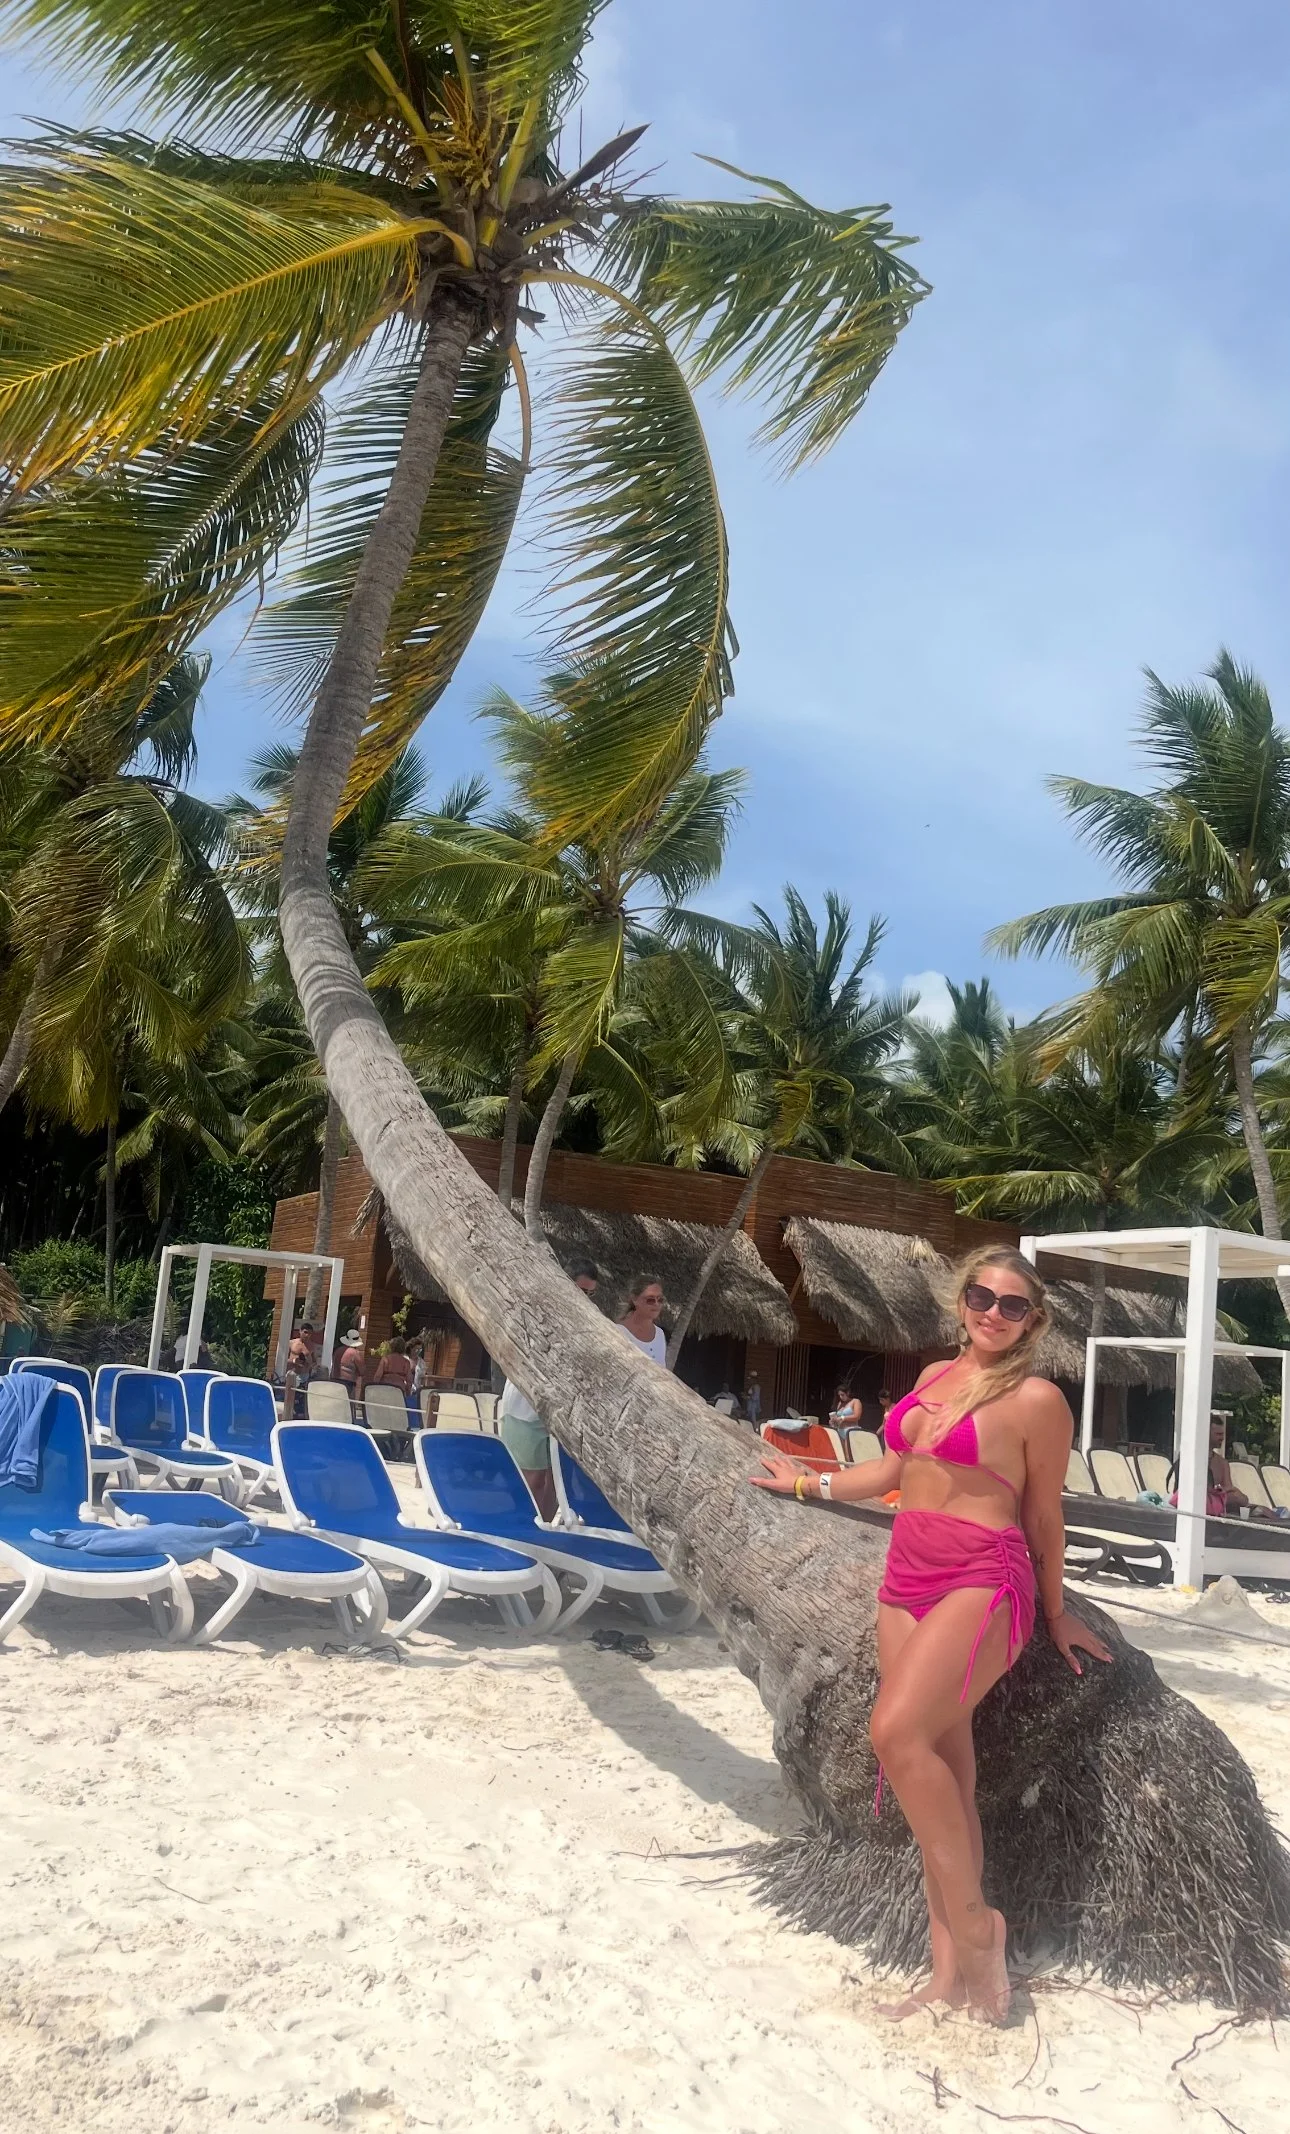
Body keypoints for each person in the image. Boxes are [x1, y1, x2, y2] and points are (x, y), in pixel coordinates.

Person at [751, 1246, 1111, 2026]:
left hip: (983, 1578)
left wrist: (1056, 1613)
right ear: (961, 1301)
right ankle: (949, 1977)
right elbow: (888, 1474)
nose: (993, 1312)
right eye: (981, 1295)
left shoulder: (1039, 1400)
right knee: (944, 1770)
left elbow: (1047, 1517)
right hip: (905, 1577)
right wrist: (805, 1482)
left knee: (896, 1735)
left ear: (1034, 1321)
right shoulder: (927, 1383)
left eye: (1013, 1305)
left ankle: (980, 1928)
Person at [500, 1260, 599, 1519]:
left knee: (555, 1484)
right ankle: (521, 1528)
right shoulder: (536, 1313)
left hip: (560, 1416)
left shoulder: (587, 1325)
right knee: (529, 1480)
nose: (585, 1298)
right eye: (581, 1290)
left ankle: (542, 1533)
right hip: (524, 1408)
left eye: (590, 1293)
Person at [617, 1274, 668, 1367]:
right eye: (650, 1300)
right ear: (635, 1299)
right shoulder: (619, 1332)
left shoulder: (660, 1334)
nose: (656, 1304)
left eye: (660, 1299)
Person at [370, 1335, 416, 1401]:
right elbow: (409, 1380)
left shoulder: (385, 1359)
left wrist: (375, 1389)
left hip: (385, 1388)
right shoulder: (406, 1362)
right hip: (399, 1390)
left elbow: (377, 1376)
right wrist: (408, 1393)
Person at [335, 1328, 366, 1407]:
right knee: (348, 1407)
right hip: (348, 1383)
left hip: (335, 1379)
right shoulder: (355, 1353)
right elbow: (362, 1371)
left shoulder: (338, 1351)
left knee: (336, 1405)